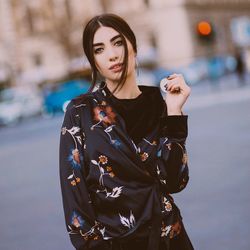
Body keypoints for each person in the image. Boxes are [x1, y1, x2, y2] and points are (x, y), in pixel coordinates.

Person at [59, 13, 193, 250]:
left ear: (133, 46)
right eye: (99, 50)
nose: (112, 54)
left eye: (118, 42)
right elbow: (76, 204)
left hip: (170, 238)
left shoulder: (158, 103)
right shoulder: (80, 112)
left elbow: (175, 182)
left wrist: (174, 112)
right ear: (93, 61)